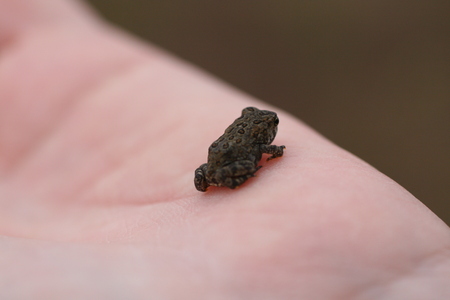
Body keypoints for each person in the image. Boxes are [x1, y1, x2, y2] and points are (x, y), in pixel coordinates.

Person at [0, 0, 448, 298]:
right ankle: (231, 174)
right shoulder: (260, 141)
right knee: (232, 166)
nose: (269, 128)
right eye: (267, 125)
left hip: (212, 165)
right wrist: (266, 157)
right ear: (261, 128)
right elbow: (272, 152)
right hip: (227, 162)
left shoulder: (245, 136)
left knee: (213, 167)